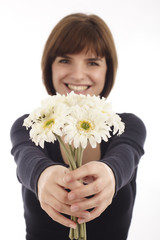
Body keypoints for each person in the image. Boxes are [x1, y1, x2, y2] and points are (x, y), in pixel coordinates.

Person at [10, 13, 146, 240]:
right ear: (49, 67)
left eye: (92, 62)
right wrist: (41, 175)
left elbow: (125, 157)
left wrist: (110, 174)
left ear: (107, 70)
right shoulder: (29, 126)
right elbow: (26, 159)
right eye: (65, 60)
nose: (78, 75)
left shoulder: (127, 126)